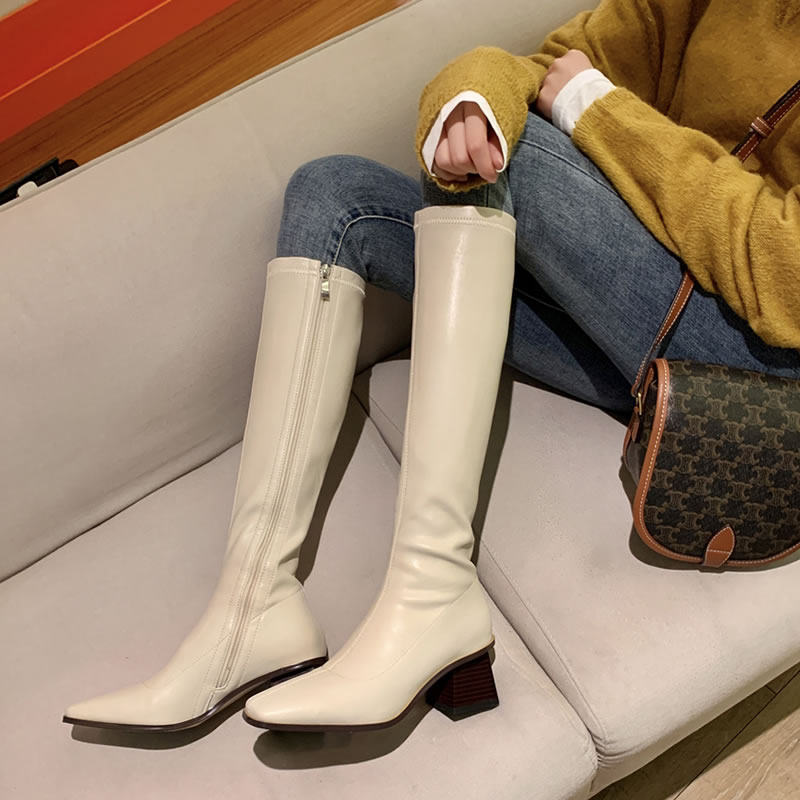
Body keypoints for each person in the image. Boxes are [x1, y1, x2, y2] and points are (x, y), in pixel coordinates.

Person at [63, 0, 800, 734]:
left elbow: (786, 279)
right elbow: (546, 71)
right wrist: (470, 98)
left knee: (520, 158)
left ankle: (431, 593)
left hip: (751, 371)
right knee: (334, 194)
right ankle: (251, 606)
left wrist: (596, 110)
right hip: (627, 304)